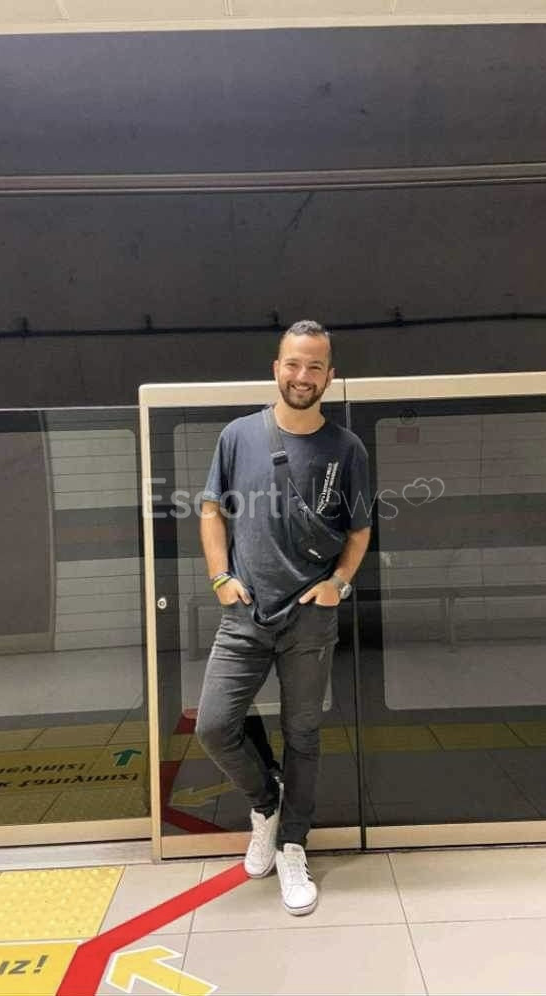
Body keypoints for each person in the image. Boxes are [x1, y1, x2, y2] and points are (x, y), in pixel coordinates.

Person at [196, 319, 371, 915]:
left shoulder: (347, 449)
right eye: (293, 364)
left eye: (315, 366)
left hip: (310, 620)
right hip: (244, 616)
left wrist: (337, 585)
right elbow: (212, 510)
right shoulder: (237, 436)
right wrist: (220, 577)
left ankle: (293, 844)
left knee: (303, 734)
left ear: (330, 376)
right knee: (215, 726)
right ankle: (266, 803)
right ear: (276, 368)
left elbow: (360, 529)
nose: (303, 375)